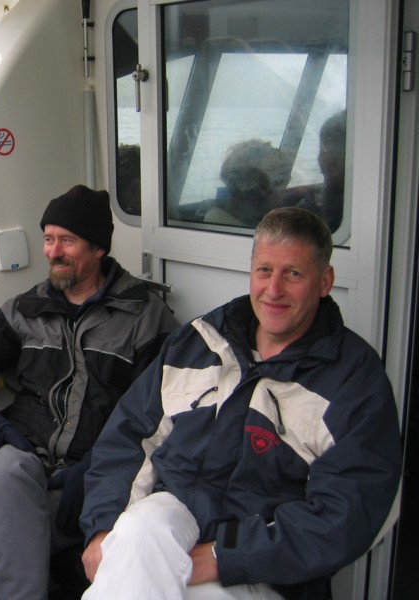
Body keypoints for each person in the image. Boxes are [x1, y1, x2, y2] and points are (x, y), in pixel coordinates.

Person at [80, 206, 402, 600]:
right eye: (265, 270)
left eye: (293, 274)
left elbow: (346, 512)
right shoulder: (200, 341)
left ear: (324, 281)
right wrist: (103, 528)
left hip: (264, 559)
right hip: (174, 516)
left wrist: (224, 555)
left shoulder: (353, 380)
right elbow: (129, 435)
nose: (274, 290)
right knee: (136, 530)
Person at [0, 184, 179, 599]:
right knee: (5, 470)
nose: (53, 251)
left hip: (93, 471)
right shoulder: (28, 309)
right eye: (48, 239)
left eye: (67, 240)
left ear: (98, 248)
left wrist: (98, 468)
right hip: (24, 458)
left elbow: (157, 410)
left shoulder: (143, 317)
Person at [203, 139, 292, 228]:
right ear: (262, 189)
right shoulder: (262, 228)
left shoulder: (223, 211)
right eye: (280, 181)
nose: (285, 189)